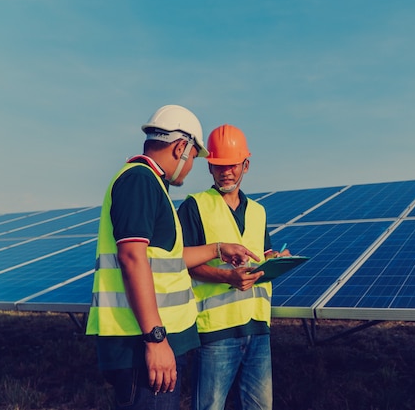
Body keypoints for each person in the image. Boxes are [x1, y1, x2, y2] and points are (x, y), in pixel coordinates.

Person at [85, 106, 259, 410]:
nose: (192, 166)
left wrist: (219, 248)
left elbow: (169, 257)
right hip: (140, 345)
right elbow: (132, 258)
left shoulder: (152, 184)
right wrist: (155, 338)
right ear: (181, 147)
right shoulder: (139, 180)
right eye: (193, 157)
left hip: (152, 342)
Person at [177, 124, 290, 410]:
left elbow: (259, 256)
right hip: (216, 332)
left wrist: (273, 260)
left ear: (246, 165)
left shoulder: (258, 211)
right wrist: (227, 277)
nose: (225, 171)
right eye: (217, 165)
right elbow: (181, 262)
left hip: (258, 329)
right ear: (209, 168)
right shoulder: (195, 206)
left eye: (231, 165)